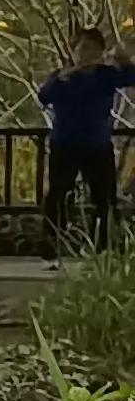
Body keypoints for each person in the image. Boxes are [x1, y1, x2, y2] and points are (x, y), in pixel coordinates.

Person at [43, 26, 135, 252]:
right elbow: (44, 97)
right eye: (83, 48)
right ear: (74, 51)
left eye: (94, 48)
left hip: (97, 144)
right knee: (58, 193)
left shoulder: (106, 75)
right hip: (65, 143)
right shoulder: (62, 76)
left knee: (104, 196)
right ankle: (53, 243)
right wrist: (58, 81)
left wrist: (125, 60)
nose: (88, 53)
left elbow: (131, 77)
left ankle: (103, 245)